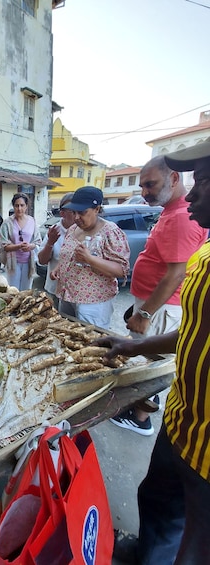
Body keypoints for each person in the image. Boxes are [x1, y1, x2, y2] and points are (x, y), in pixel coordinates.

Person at [99, 143, 210, 565]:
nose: (196, 192)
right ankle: (147, 551)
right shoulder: (204, 254)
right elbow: (192, 331)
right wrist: (134, 344)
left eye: (207, 180)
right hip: (182, 422)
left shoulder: (182, 222)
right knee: (158, 502)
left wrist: (145, 316)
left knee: (195, 545)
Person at [110, 156, 208, 435]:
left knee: (152, 365)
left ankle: (140, 418)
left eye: (150, 185)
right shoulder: (171, 211)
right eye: (142, 186)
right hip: (154, 304)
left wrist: (144, 314)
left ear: (174, 178)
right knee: (144, 357)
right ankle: (138, 409)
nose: (144, 192)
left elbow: (176, 274)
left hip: (161, 308)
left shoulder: (182, 216)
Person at [50, 186, 130, 329]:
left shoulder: (110, 232)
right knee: (65, 335)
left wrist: (90, 259)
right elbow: (68, 254)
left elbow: (121, 270)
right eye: (74, 212)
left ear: (97, 209)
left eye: (82, 212)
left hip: (93, 303)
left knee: (90, 342)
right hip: (67, 295)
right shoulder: (73, 229)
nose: (76, 217)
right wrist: (58, 268)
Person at [37, 193, 75, 307]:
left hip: (76, 292)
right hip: (54, 289)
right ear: (62, 213)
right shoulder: (55, 230)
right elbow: (42, 261)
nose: (77, 215)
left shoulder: (83, 231)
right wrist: (50, 243)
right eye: (73, 211)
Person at [0, 192, 41, 290]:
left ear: (26, 206)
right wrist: (19, 246)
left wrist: (30, 246)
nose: (19, 208)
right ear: (13, 206)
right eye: (16, 205)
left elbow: (38, 241)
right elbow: (4, 245)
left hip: (28, 261)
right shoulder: (7, 223)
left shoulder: (32, 221)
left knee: (26, 290)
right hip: (13, 262)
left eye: (22, 205)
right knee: (13, 290)